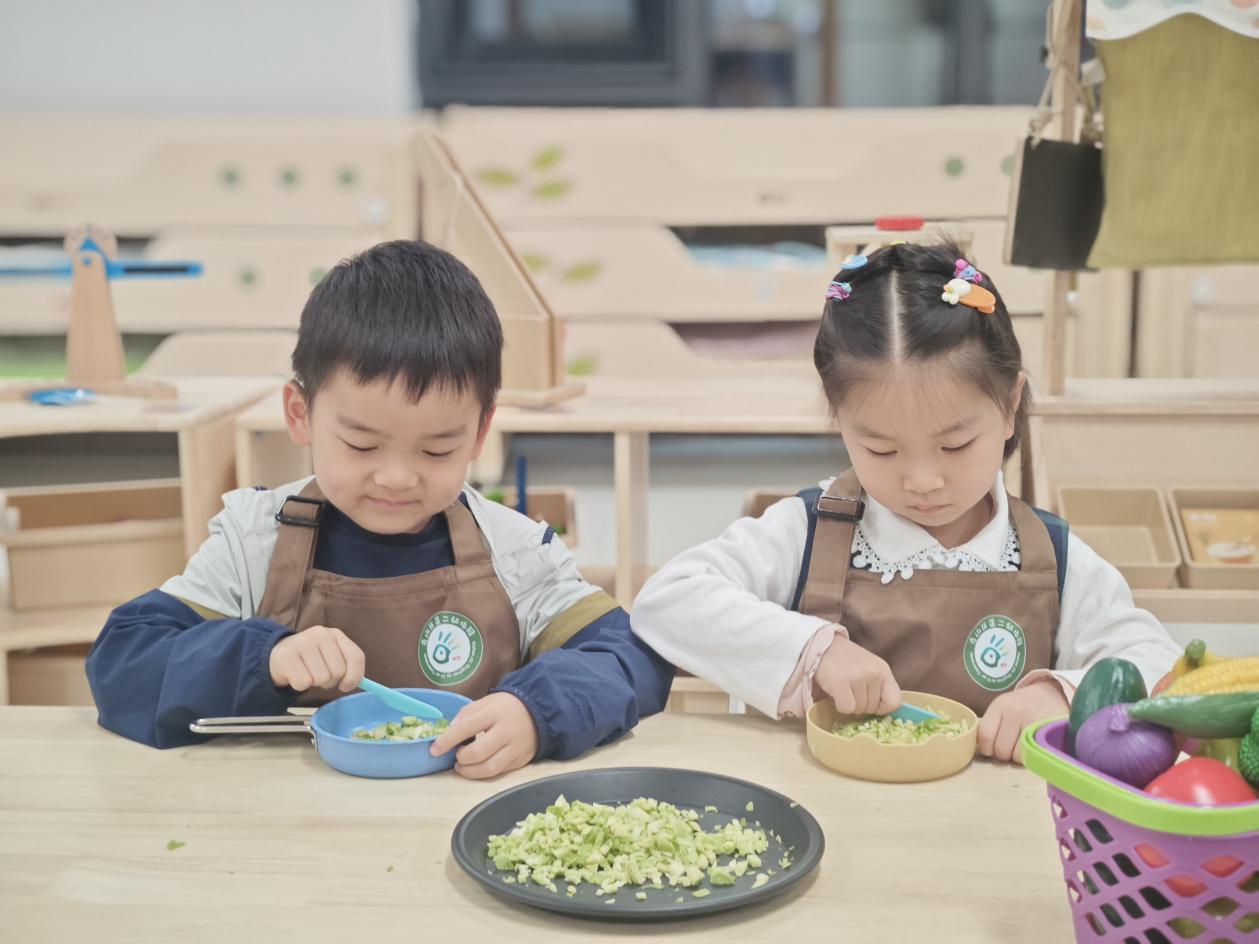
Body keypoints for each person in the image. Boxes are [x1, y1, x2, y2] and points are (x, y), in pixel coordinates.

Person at [87, 240, 674, 778]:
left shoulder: (516, 552)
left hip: (462, 824)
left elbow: (630, 653)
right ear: (300, 414)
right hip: (282, 833)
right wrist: (264, 657)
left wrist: (535, 713)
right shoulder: (253, 543)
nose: (396, 477)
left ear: (479, 433)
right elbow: (123, 664)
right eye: (361, 445)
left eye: (436, 449)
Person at [630, 241, 1178, 763]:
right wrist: (813, 651)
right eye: (882, 449)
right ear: (838, 418)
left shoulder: (1052, 558)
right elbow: (668, 600)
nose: (922, 480)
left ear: (1010, 406)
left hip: (996, 822)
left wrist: (1062, 694)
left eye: (955, 445)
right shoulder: (808, 532)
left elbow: (1158, 661)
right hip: (825, 813)